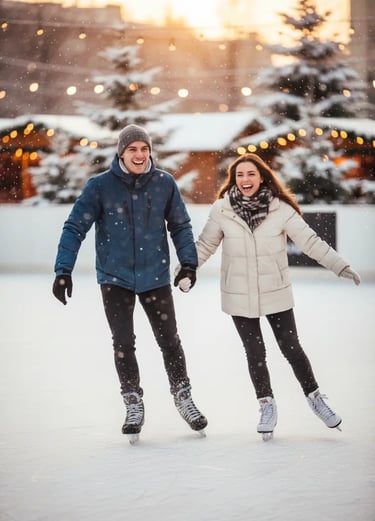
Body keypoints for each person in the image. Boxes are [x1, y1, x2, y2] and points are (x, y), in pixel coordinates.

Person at [180, 152, 361, 439]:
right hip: (238, 293)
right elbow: (205, 245)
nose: (245, 179)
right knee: (255, 352)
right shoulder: (222, 209)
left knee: (291, 346)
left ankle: (315, 398)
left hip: (275, 289)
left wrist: (341, 266)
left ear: (262, 176)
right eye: (239, 175)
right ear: (233, 180)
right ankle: (266, 404)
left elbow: (310, 242)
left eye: (250, 174)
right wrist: (186, 270)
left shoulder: (280, 209)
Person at [52, 124, 207, 442]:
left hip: (155, 275)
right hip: (115, 277)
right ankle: (133, 401)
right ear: (121, 153)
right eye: (133, 149)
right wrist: (63, 269)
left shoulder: (164, 183)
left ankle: (183, 395)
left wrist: (188, 264)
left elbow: (180, 225)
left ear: (150, 152)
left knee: (170, 341)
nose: (139, 155)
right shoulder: (100, 187)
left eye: (144, 149)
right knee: (123, 343)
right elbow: (74, 227)